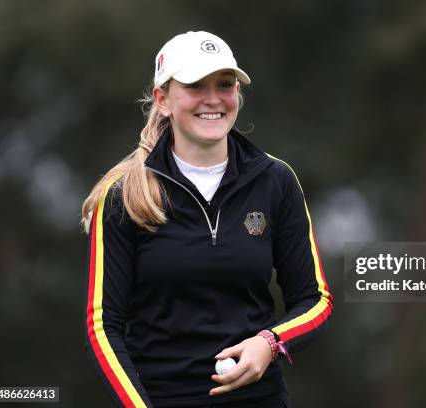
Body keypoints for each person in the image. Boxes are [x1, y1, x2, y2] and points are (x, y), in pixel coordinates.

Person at [81, 31, 333, 408]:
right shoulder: (123, 194)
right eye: (196, 85)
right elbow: (104, 327)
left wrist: (270, 343)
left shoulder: (276, 180)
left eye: (225, 84)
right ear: (162, 99)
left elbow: (315, 300)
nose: (213, 98)